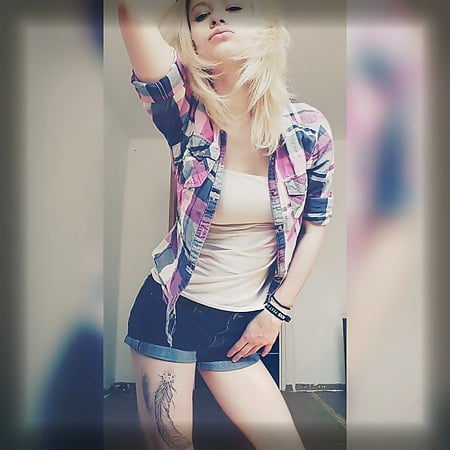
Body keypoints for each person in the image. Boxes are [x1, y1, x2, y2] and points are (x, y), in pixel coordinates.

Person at [118, 1, 335, 449]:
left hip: (240, 322)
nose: (216, 17)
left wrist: (276, 312)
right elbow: (131, 14)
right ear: (192, 40)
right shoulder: (184, 113)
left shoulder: (308, 128)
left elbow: (316, 226)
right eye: (201, 14)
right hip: (170, 314)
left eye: (234, 7)